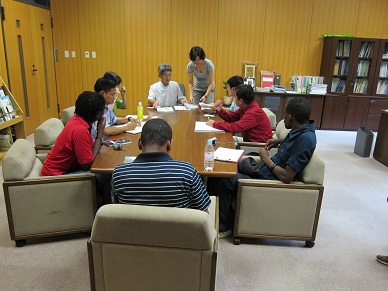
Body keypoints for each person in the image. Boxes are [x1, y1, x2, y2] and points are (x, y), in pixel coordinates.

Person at [207, 97, 317, 237]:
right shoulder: (300, 131)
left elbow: (286, 176)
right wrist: (279, 141)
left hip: (267, 180)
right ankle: (215, 213)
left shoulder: (305, 139)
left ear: (291, 116)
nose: (283, 119)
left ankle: (224, 226)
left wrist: (266, 159)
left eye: (284, 115)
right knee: (222, 165)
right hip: (263, 171)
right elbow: (294, 145)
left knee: (221, 177)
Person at [111, 118, 211, 212]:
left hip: (134, 230)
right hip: (177, 230)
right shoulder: (187, 172)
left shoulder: (119, 175)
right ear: (169, 145)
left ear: (139, 144)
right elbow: (203, 215)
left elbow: (117, 209)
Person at [41, 91, 106, 176]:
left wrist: (98, 143)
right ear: (98, 114)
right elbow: (87, 165)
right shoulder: (80, 130)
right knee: (104, 176)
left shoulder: (76, 119)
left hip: (63, 169)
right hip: (56, 176)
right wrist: (99, 135)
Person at [206, 84, 273, 143]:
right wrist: (220, 110)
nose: (234, 99)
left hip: (256, 146)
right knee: (218, 139)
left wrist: (214, 124)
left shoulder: (253, 112)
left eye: (235, 97)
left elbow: (235, 128)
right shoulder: (245, 107)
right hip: (248, 141)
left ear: (241, 100)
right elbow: (230, 118)